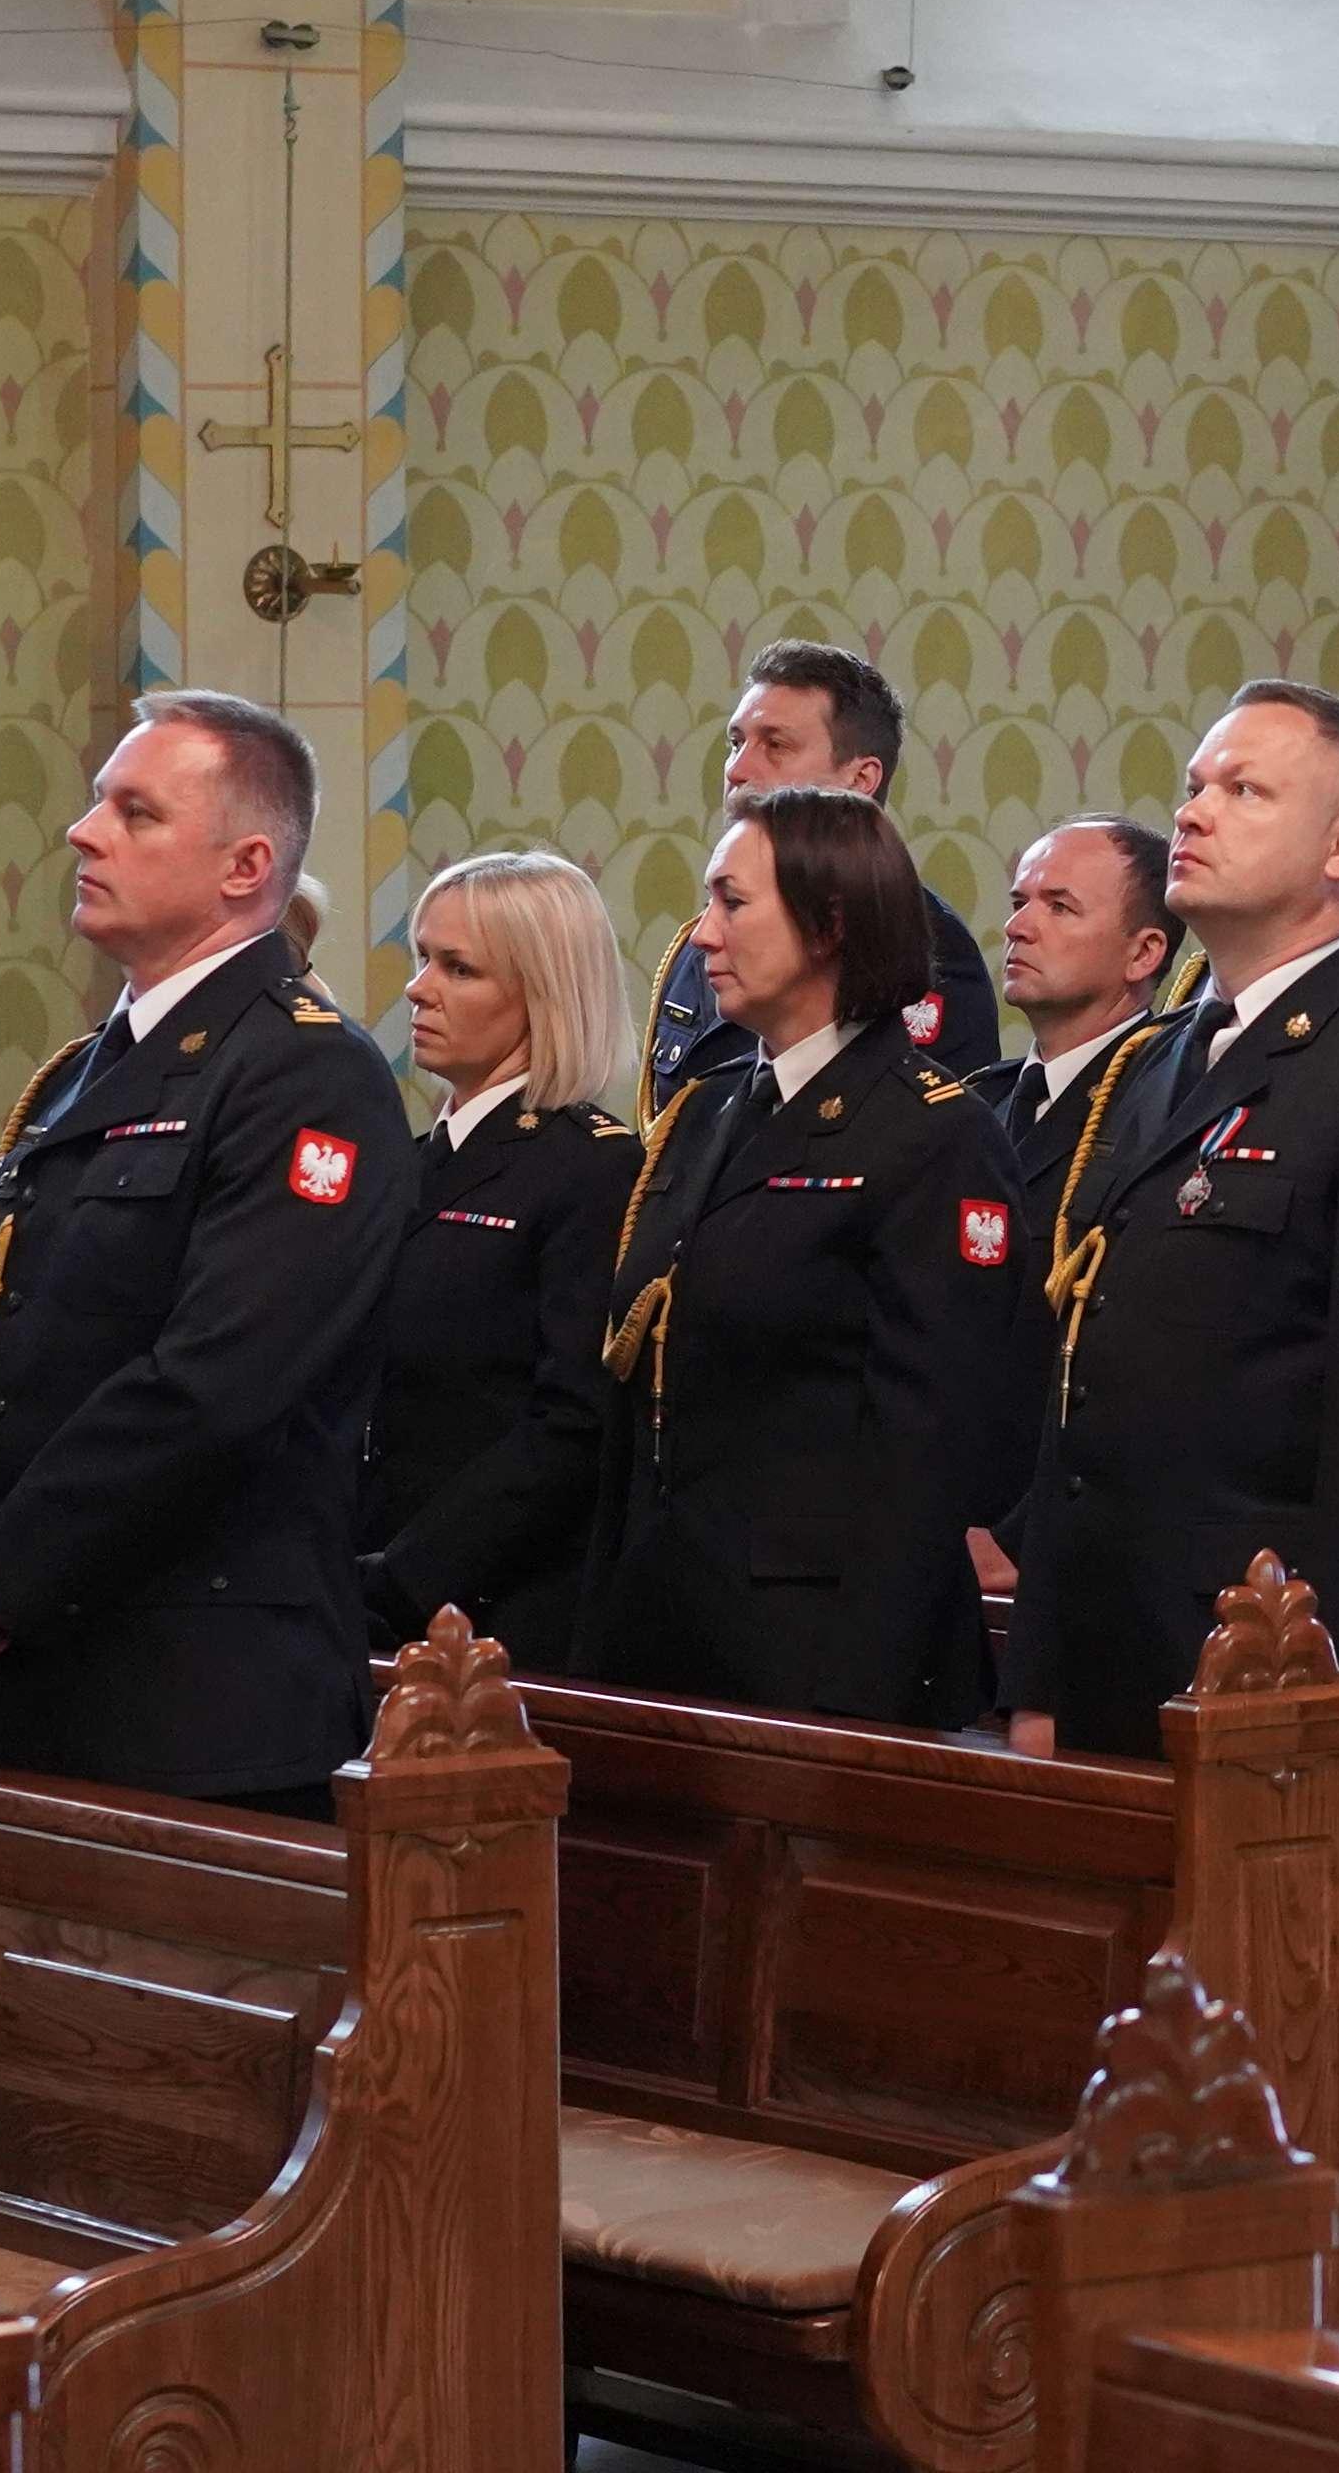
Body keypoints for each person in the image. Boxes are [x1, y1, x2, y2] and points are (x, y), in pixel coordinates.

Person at [1005, 679, 1339, 2339]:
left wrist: (1306, 1699)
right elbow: (1089, 1397)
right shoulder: (1165, 1064)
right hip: (1130, 1663)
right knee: (1170, 2089)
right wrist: (1046, 1668)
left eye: (1244, 789)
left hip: (1284, 1698)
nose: (1197, 808)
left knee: (1333, 2097)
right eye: (1197, 780)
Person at [0, 694, 418, 1811]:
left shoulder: (308, 1073)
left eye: (136, 812)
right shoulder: (91, 1068)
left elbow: (220, 1381)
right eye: (97, 803)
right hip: (38, 1664)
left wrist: (5, 1571)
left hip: (197, 1689)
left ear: (246, 866)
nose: (83, 832)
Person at [415, 785, 1028, 1724]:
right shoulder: (703, 1115)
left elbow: (930, 1452)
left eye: (732, 902)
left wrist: (856, 1703)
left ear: (828, 924)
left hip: (819, 1657)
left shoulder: (935, 1135)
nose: (702, 935)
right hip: (663, 1627)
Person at [359, 848, 641, 1662]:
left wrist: (402, 1579)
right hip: (362, 1584)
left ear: (542, 993)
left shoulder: (593, 1166)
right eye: (423, 958)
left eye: (459, 968)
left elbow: (573, 1423)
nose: (418, 989)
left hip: (494, 1617)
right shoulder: (407, 1161)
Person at [645, 642, 1001, 1096]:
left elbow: (926, 1122)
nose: (737, 770)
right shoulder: (703, 940)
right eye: (736, 744)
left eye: (775, 745)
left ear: (860, 780)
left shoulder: (921, 941)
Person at [972, 816, 1178, 1156]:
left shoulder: (1164, 1104)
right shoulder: (982, 1099)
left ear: (1143, 953)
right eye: (1019, 903)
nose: (1016, 927)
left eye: (1059, 907)